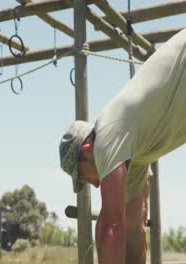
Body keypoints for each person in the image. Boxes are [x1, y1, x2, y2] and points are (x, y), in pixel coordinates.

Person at [59, 28, 186, 264]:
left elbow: (111, 226)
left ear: (86, 150)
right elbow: (131, 230)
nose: (96, 184)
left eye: (86, 178)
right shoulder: (133, 157)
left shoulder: (106, 135)